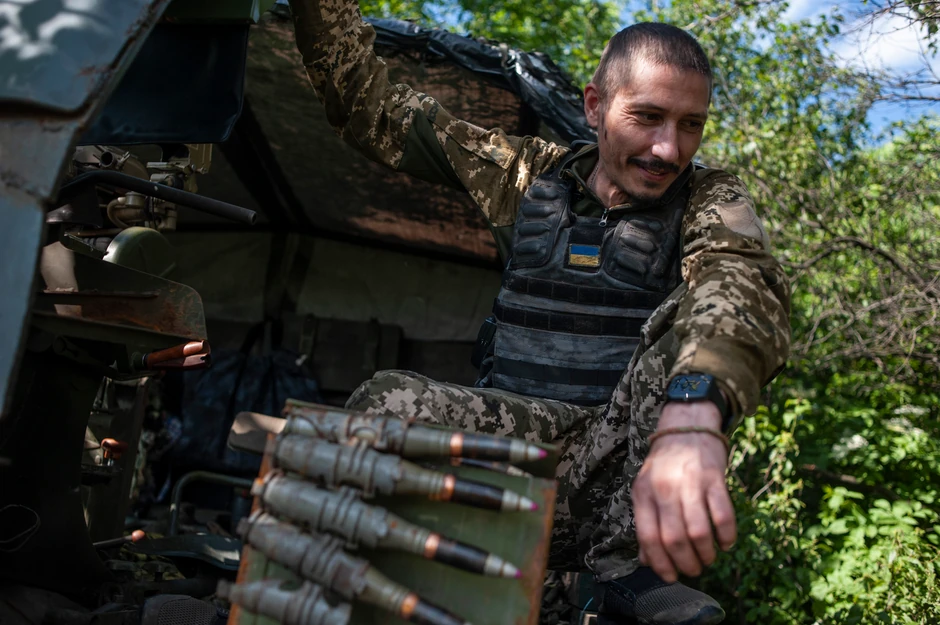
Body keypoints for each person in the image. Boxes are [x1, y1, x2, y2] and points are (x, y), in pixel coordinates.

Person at [286, 0, 791, 622]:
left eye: (692, 124)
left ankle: (620, 572)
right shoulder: (526, 178)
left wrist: (693, 418)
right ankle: (347, 579)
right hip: (511, 461)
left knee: (692, 318)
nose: (669, 148)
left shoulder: (709, 199)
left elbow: (741, 284)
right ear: (594, 107)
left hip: (619, 479)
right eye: (649, 117)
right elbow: (373, 111)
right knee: (386, 400)